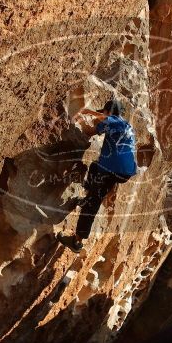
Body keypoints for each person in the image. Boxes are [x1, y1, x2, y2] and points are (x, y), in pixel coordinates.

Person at [57, 99, 137, 253]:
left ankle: (77, 242)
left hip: (112, 168)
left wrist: (87, 114)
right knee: (94, 167)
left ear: (108, 112)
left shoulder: (114, 121)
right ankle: (89, 195)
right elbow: (103, 126)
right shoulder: (127, 126)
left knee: (92, 203)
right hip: (124, 171)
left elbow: (92, 130)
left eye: (103, 113)